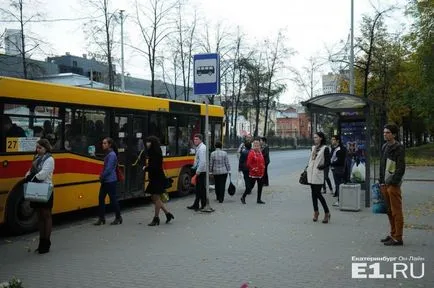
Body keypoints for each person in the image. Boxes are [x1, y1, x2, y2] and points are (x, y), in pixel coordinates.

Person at [24, 139, 55, 254]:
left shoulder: (50, 159)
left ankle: (46, 242)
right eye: (37, 148)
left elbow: (43, 174)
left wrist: (31, 177)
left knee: (46, 215)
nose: (38, 150)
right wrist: (27, 176)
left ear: (46, 148)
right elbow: (30, 170)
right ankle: (41, 241)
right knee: (39, 216)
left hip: (45, 188)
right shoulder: (36, 158)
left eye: (40, 148)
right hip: (36, 188)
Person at [379, 124, 405, 246]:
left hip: (393, 185)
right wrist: (381, 182)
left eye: (388, 132)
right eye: (384, 132)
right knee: (389, 211)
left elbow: (401, 168)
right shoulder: (385, 146)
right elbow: (382, 165)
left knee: (396, 211)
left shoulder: (398, 147)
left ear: (393, 134)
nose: (385, 134)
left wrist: (393, 182)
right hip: (385, 183)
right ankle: (393, 233)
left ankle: (398, 237)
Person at [143, 136, 174, 226]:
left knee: (156, 198)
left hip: (157, 178)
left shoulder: (155, 153)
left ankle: (156, 218)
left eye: (149, 142)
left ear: (152, 143)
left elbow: (154, 167)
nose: (147, 144)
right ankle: (167, 214)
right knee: (154, 198)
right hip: (155, 178)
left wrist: (146, 168)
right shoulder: (154, 152)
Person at [94, 137, 122, 225]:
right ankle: (101, 218)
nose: (103, 145)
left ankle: (118, 217)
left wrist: (102, 176)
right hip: (106, 180)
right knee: (101, 198)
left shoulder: (112, 155)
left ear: (109, 145)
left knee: (113, 199)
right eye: (103, 143)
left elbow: (109, 169)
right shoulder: (108, 154)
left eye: (105, 143)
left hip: (110, 181)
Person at [306, 132, 331, 223]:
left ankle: (327, 212)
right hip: (311, 174)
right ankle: (316, 212)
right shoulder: (313, 148)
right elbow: (311, 160)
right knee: (313, 194)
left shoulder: (325, 148)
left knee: (318, 194)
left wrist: (321, 167)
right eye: (314, 137)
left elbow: (328, 162)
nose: (314, 139)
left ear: (321, 138)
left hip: (318, 174)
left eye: (316, 137)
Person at [241, 138, 266, 205]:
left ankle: (259, 199)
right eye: (255, 144)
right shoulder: (251, 153)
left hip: (260, 173)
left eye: (258, 144)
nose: (257, 146)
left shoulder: (260, 152)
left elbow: (262, 161)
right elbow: (248, 163)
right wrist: (253, 168)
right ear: (253, 145)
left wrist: (263, 167)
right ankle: (243, 197)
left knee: (260, 186)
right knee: (249, 188)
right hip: (253, 173)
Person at [187, 134, 207, 211]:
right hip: (200, 170)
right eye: (194, 139)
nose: (195, 141)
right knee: (199, 189)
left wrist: (197, 172)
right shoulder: (200, 147)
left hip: (201, 171)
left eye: (197, 139)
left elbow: (202, 162)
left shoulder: (202, 149)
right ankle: (197, 204)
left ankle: (202, 204)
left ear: (201, 140)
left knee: (200, 189)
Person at [330, 135, 347, 207]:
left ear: (337, 140)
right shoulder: (334, 148)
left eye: (333, 139)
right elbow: (331, 156)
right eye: (332, 139)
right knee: (338, 185)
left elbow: (340, 161)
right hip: (335, 168)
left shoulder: (340, 149)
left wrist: (331, 163)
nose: (332, 141)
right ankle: (340, 200)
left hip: (339, 169)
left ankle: (340, 201)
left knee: (339, 185)